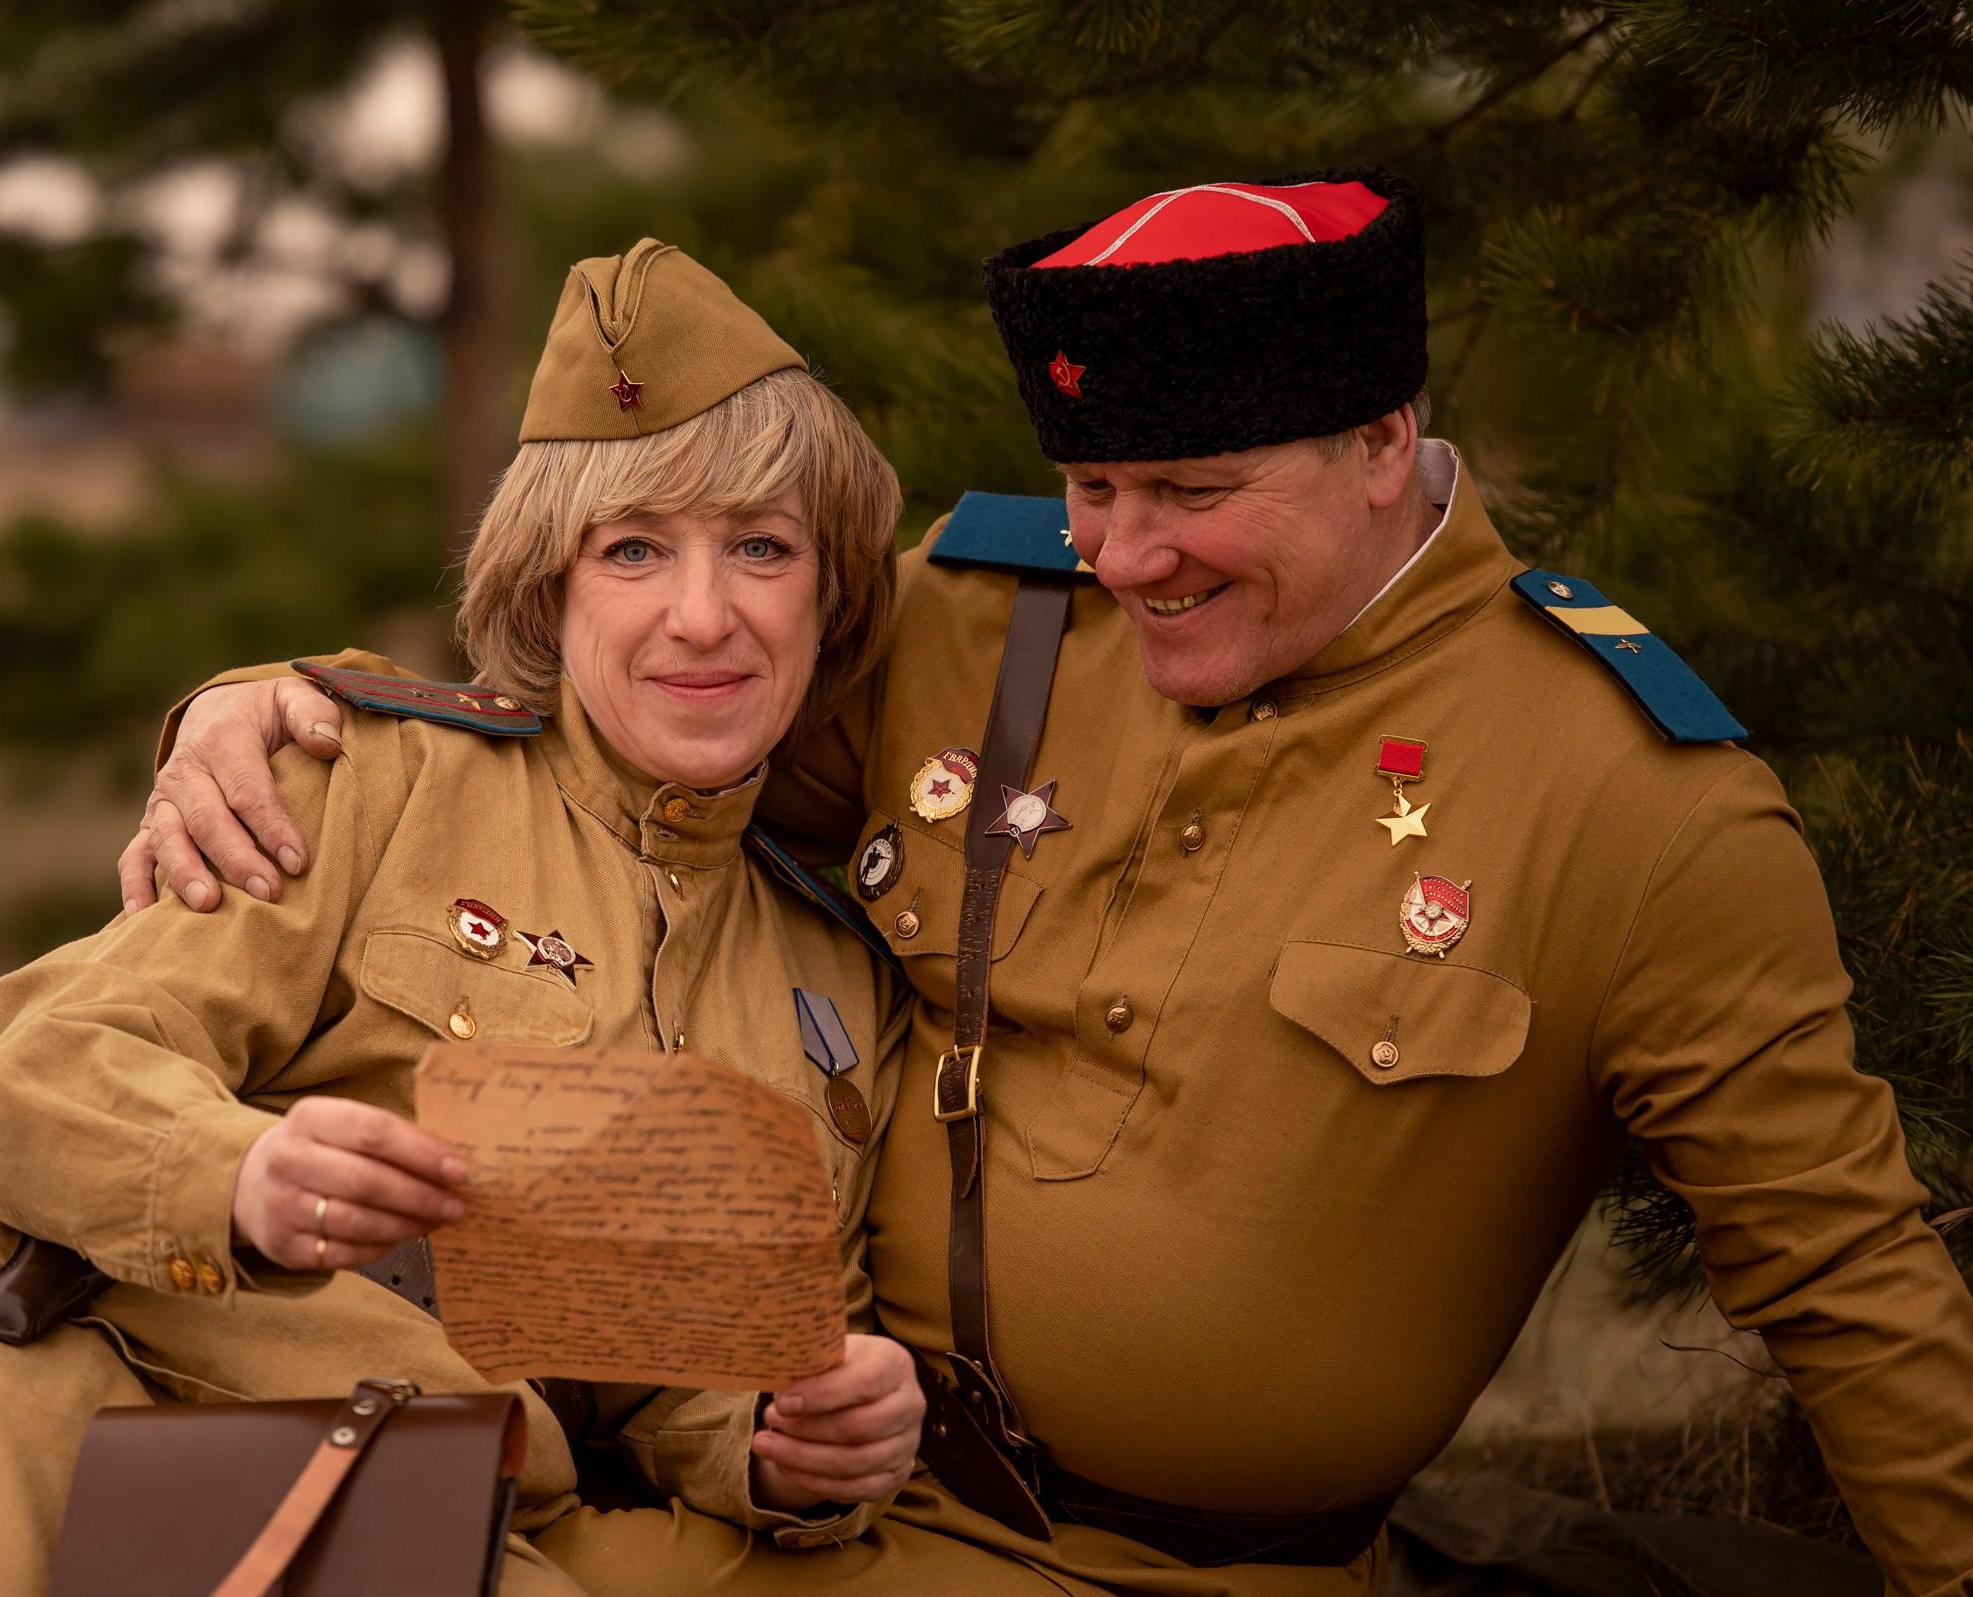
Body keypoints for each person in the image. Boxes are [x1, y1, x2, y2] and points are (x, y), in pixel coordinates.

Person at [137, 168, 1973, 1596]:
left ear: (1381, 445)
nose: (1127, 554)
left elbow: (1845, 1278)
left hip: (1171, 1572)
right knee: (182, 1528)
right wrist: (291, 707)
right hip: (785, 1488)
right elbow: (632, 723)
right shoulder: (978, 622)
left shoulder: (1634, 801)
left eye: (1188, 488)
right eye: (1089, 484)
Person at [0, 238, 930, 1597]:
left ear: (830, 596)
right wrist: (236, 1176)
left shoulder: (835, 974)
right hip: (47, 1377)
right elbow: (39, 1073)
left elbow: (683, 1381)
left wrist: (787, 1438)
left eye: (760, 547)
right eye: (635, 548)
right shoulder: (363, 774)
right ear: (551, 586)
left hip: (390, 1495)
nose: (702, 616)